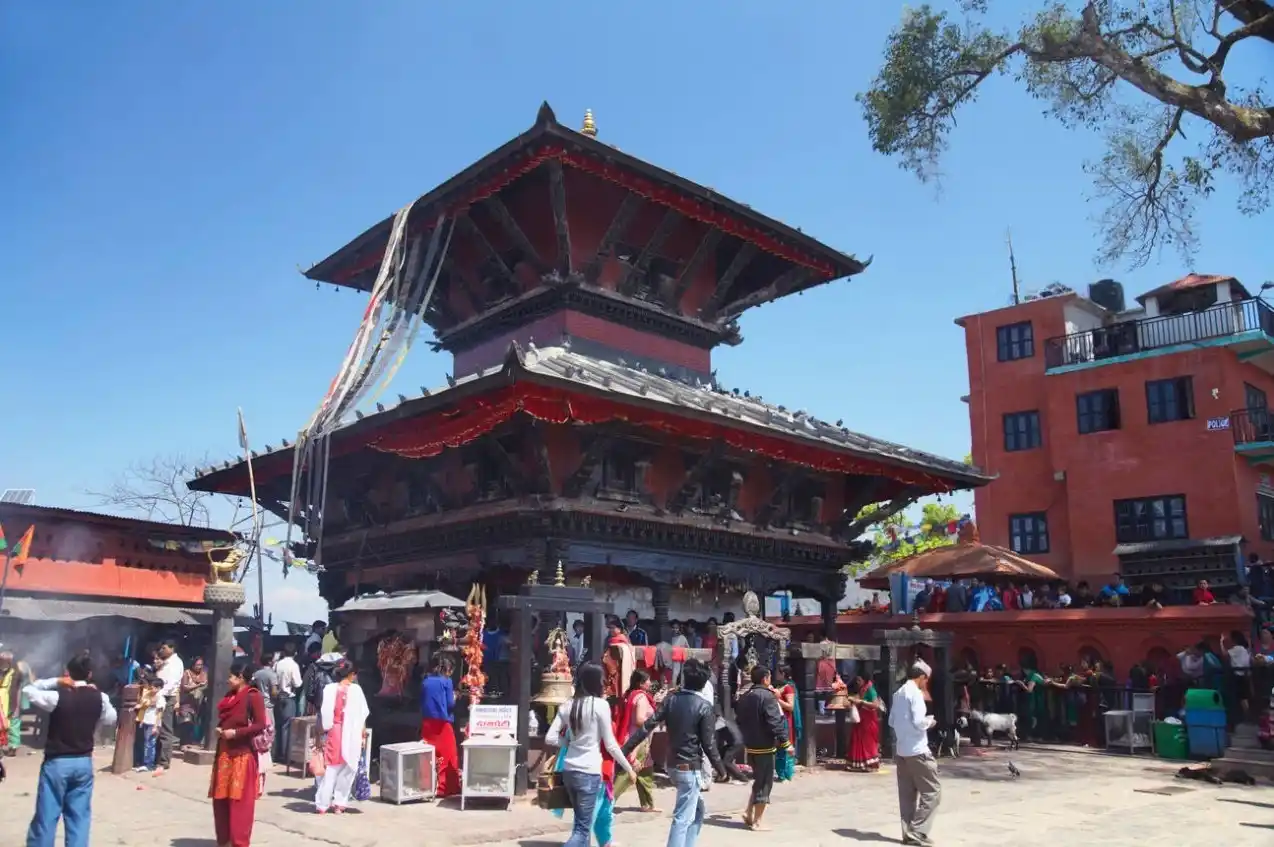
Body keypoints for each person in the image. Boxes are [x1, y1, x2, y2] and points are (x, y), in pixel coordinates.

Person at [621, 659, 726, 847]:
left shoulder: (671, 701)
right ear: (703, 683)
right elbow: (709, 744)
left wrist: (626, 748)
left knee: (698, 810)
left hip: (673, 765)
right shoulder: (704, 706)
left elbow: (647, 726)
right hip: (689, 767)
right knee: (682, 818)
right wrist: (721, 769)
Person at [24, 652, 117, 846]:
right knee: (79, 817)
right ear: (90, 674)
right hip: (83, 762)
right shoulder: (100, 697)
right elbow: (111, 719)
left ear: (67, 673)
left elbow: (28, 690)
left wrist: (56, 681)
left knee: (46, 817)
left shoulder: (57, 696)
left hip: (57, 763)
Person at [545, 662, 636, 847]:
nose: (604, 683)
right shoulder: (600, 706)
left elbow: (550, 738)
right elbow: (611, 745)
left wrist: (568, 743)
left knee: (582, 824)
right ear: (596, 682)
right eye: (602, 680)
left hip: (569, 771)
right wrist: (629, 768)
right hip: (589, 772)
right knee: (582, 830)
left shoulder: (568, 705)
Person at [208, 659, 268, 847]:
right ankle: (224, 841)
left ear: (241, 677)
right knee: (221, 801)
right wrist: (221, 729)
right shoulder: (230, 695)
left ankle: (239, 842)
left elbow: (260, 724)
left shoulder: (253, 696)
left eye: (231, 676)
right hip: (225, 754)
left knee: (240, 803)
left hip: (243, 754)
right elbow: (226, 719)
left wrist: (236, 733)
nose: (228, 680)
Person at [888, 661, 940, 847]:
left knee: (907, 795)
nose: (926, 684)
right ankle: (917, 831)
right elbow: (919, 722)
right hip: (918, 750)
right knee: (933, 792)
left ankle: (908, 833)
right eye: (926, 680)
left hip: (902, 751)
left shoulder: (898, 693)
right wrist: (930, 722)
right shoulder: (915, 694)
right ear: (922, 677)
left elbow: (892, 721)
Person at [734, 665, 789, 831]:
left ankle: (749, 813)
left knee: (758, 781)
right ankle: (758, 821)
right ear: (765, 679)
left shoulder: (745, 696)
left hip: (750, 746)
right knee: (765, 783)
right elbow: (774, 722)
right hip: (765, 746)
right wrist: (785, 742)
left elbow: (739, 720)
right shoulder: (767, 697)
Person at [315, 659, 370, 814]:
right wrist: (362, 734)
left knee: (332, 768)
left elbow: (325, 713)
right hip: (352, 731)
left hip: (335, 730)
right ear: (352, 674)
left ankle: (322, 804)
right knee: (349, 767)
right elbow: (362, 714)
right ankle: (340, 803)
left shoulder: (329, 689)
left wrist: (323, 730)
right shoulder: (357, 690)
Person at [613, 669, 658, 812]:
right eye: (647, 681)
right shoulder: (642, 698)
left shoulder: (630, 694)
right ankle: (607, 801)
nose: (650, 683)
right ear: (641, 683)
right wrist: (654, 721)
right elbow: (639, 720)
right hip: (639, 739)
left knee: (645, 770)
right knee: (629, 772)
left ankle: (647, 804)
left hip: (631, 736)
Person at [419, 653, 461, 797]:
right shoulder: (446, 682)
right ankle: (445, 787)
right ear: (447, 668)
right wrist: (455, 697)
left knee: (430, 755)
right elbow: (450, 703)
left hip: (427, 723)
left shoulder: (425, 681)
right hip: (443, 723)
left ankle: (428, 785)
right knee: (448, 756)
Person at [153, 638, 184, 776]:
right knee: (157, 727)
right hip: (160, 696)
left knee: (165, 729)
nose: (161, 651)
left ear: (172, 648)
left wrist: (159, 693)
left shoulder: (176, 663)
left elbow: (171, 683)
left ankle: (164, 761)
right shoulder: (165, 662)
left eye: (164, 648)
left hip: (167, 697)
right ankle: (157, 758)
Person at [847, 671, 884, 772]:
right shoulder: (861, 689)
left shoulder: (870, 689)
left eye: (859, 680)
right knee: (857, 739)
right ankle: (858, 764)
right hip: (861, 719)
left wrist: (861, 702)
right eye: (857, 680)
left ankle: (870, 764)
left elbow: (875, 705)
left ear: (865, 680)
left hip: (869, 720)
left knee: (868, 742)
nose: (857, 682)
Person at [272, 643, 302, 762]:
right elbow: (297, 683)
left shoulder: (277, 664)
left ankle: (277, 753)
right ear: (295, 653)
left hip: (278, 697)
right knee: (288, 727)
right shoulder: (294, 665)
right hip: (289, 697)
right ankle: (286, 755)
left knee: (278, 726)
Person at [772, 664, 801, 781]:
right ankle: (780, 773)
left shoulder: (789, 687)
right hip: (779, 719)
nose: (776, 675)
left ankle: (787, 774)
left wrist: (777, 699)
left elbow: (791, 706)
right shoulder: (780, 686)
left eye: (778, 673)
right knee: (779, 747)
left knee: (786, 747)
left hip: (786, 720)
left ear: (783, 674)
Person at [134, 672, 164, 772]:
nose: (152, 689)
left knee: (150, 744)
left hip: (153, 723)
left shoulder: (160, 698)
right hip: (147, 721)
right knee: (147, 743)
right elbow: (147, 710)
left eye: (154, 687)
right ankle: (146, 763)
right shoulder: (152, 696)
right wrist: (143, 720)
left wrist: (156, 726)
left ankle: (149, 764)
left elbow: (159, 713)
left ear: (159, 688)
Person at [176, 657, 208, 748]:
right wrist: (197, 686)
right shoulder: (187, 673)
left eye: (201, 665)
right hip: (187, 702)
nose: (200, 667)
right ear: (193, 665)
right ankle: (184, 744)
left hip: (198, 702)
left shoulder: (204, 674)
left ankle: (191, 742)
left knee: (195, 723)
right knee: (186, 722)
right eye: (197, 665)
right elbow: (184, 687)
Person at [0, 651, 22, 755]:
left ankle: (13, 747)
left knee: (14, 723)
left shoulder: (16, 673)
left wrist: (17, 704)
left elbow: (18, 689)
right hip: (3, 701)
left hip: (11, 701)